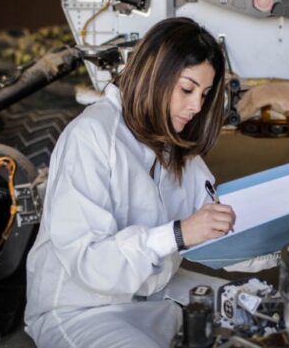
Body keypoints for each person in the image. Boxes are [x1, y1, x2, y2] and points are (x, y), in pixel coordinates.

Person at [24, 17, 236, 347]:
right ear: (155, 75)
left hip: (154, 295)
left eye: (205, 94)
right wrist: (178, 234)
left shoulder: (173, 144)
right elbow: (89, 262)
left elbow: (215, 223)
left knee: (261, 307)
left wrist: (284, 231)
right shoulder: (91, 136)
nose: (197, 106)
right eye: (187, 89)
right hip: (79, 310)